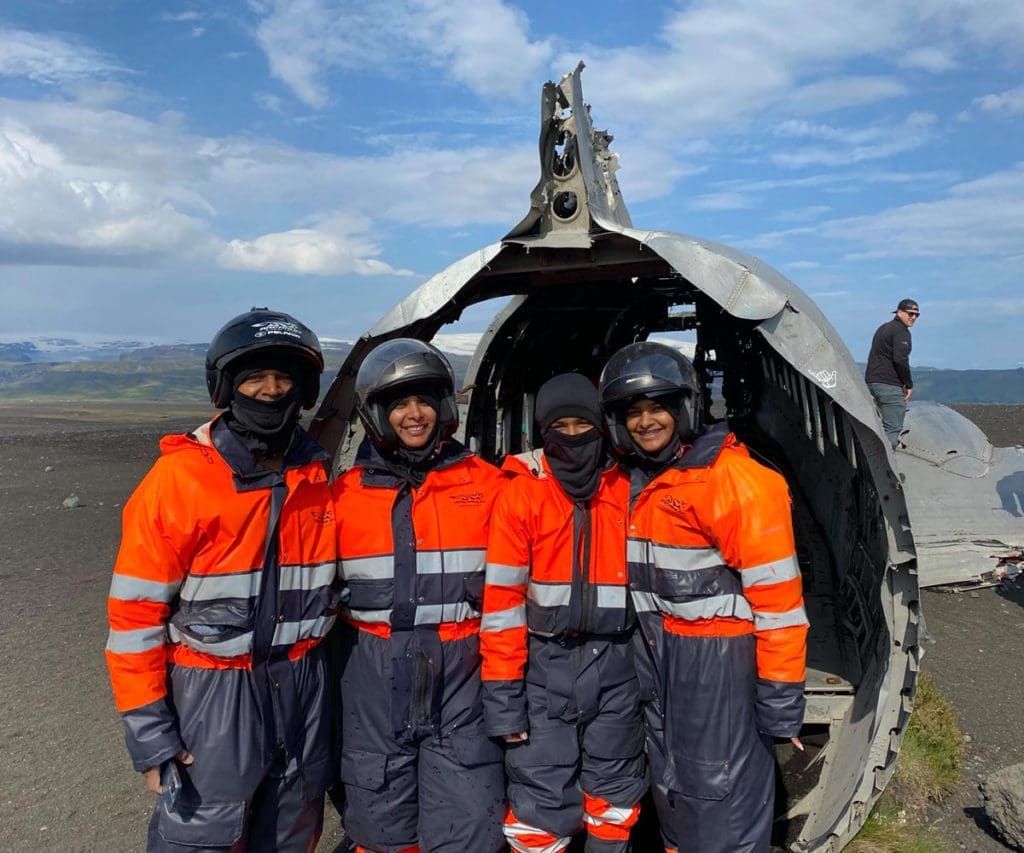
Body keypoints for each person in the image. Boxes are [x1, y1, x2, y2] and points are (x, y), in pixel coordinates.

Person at [105, 308, 339, 851]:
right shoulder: (178, 481)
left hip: (303, 689)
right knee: (203, 836)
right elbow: (134, 619)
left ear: (303, 389)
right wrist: (150, 733)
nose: (271, 390)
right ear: (226, 387)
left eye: (284, 378)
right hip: (212, 696)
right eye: (255, 377)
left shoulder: (320, 478)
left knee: (291, 832)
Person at [598, 341, 808, 853]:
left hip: (718, 665)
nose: (646, 421)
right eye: (633, 412)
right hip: (659, 655)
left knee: (721, 799)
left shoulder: (736, 481)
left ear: (685, 407)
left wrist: (780, 702)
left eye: (658, 407)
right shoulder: (640, 480)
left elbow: (779, 603)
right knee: (676, 791)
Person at [332, 338, 506, 853]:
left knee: (472, 824)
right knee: (380, 826)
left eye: (425, 399)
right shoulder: (342, 498)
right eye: (399, 402)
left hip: (463, 681)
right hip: (371, 680)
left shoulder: (494, 487)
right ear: (377, 414)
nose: (415, 414)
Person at [480, 373, 645, 853]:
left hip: (619, 665)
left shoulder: (630, 489)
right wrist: (504, 698)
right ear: (541, 430)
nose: (573, 437)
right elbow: (502, 606)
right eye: (561, 425)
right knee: (540, 798)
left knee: (614, 796)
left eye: (583, 424)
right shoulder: (522, 495)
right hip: (543, 668)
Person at [865, 298, 919, 448]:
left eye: (916, 315)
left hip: (871, 382)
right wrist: (908, 384)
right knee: (892, 432)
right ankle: (884, 469)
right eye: (910, 313)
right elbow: (900, 360)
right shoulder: (902, 332)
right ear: (900, 312)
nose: (913, 317)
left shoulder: (883, 328)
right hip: (889, 385)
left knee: (876, 429)